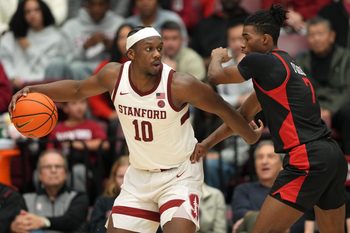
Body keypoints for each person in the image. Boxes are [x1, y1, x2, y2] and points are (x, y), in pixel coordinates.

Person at [9, 26, 263, 233]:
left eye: (159, 49)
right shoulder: (113, 75)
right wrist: (35, 89)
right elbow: (77, 89)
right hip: (139, 177)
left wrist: (249, 136)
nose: (156, 55)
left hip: (179, 175)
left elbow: (224, 110)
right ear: (131, 54)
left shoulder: (180, 84)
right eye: (149, 49)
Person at [193, 5, 348, 233]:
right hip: (332, 156)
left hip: (307, 157)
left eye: (246, 38)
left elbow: (215, 76)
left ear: (265, 40)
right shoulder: (284, 67)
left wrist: (216, 57)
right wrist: (206, 144)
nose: (241, 45)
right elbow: (241, 118)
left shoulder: (261, 62)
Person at [295, 16, 350, 155]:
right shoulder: (301, 61)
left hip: (338, 108)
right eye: (312, 35)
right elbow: (299, 90)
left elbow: (347, 90)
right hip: (312, 109)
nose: (316, 39)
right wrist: (316, 109)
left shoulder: (345, 58)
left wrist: (330, 110)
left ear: (331, 36)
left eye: (320, 34)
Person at [10, 149, 89, 233]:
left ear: (66, 173)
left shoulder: (78, 197)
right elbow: (18, 223)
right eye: (47, 167)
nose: (53, 170)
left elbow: (72, 221)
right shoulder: (26, 199)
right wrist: (13, 227)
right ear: (39, 174)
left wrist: (44, 222)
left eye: (58, 166)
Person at [0, 0, 68, 90]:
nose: (32, 15)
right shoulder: (13, 36)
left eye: (37, 10)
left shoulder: (56, 37)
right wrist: (12, 76)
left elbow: (50, 67)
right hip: (14, 86)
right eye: (27, 12)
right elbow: (4, 59)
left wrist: (28, 48)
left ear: (44, 11)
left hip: (43, 86)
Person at [48, 99, 109, 192]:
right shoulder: (57, 129)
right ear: (65, 108)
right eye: (74, 103)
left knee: (78, 171)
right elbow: (50, 151)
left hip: (87, 166)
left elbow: (105, 144)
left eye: (82, 102)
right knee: (40, 173)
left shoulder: (92, 125)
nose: (79, 107)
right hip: (61, 165)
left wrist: (78, 145)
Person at [89, 155, 129, 233]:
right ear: (114, 178)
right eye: (121, 176)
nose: (125, 181)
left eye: (128, 176)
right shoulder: (102, 201)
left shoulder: (146, 202)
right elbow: (94, 229)